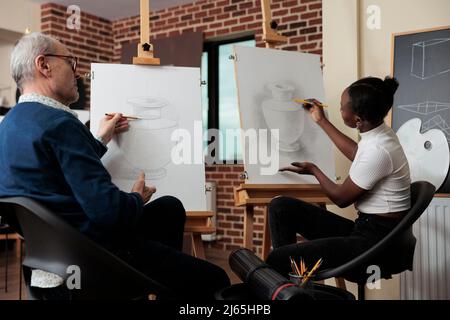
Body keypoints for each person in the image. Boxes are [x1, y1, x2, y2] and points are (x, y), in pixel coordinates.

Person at [0, 32, 230, 299]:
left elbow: (57, 170)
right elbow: (108, 213)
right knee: (216, 280)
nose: (78, 72)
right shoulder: (59, 123)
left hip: (49, 263)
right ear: (44, 65)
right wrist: (136, 197)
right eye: (70, 62)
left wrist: (100, 139)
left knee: (169, 208)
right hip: (94, 259)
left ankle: (155, 284)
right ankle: (148, 284)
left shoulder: (10, 125)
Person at [266, 76, 411, 277]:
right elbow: (358, 154)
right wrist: (322, 121)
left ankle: (289, 288)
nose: (340, 109)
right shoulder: (381, 134)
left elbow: (341, 198)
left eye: (343, 107)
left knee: (276, 259)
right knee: (280, 207)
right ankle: (292, 284)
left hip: (376, 247)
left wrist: (314, 170)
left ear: (358, 119)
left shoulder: (379, 150)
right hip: (367, 229)